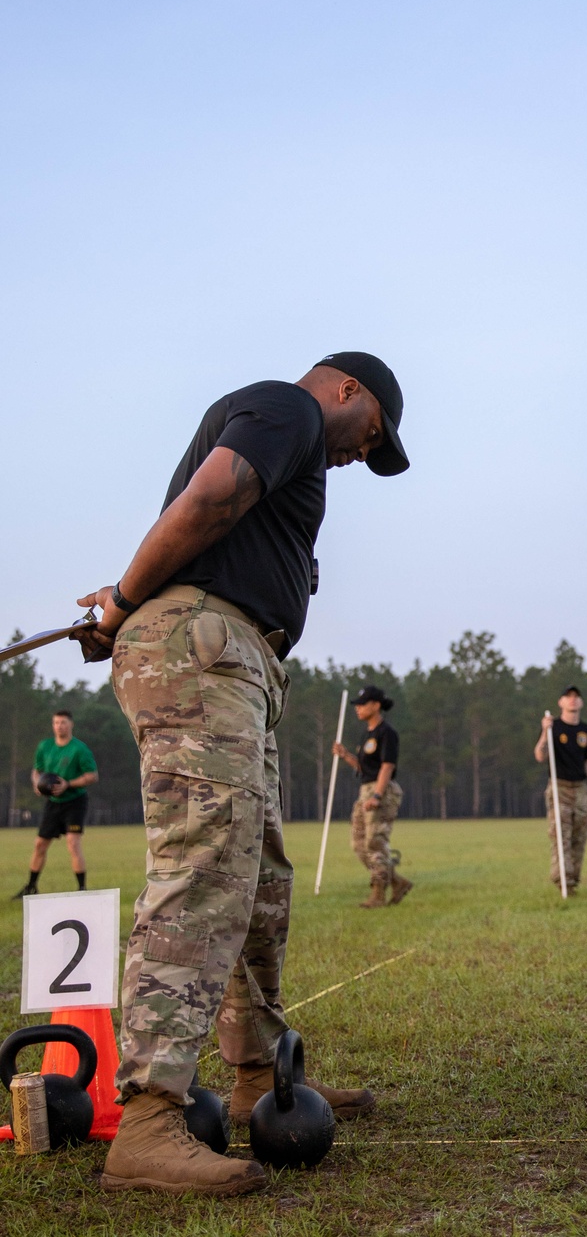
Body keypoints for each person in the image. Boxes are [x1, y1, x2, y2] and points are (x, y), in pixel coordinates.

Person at [71, 351, 409, 1195]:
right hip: (201, 648)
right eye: (371, 437)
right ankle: (150, 1117)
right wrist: (122, 602)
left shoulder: (300, 442)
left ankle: (261, 1076)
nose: (360, 456)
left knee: (257, 875)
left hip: (235, 659)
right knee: (205, 865)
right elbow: (212, 497)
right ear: (345, 390)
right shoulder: (286, 409)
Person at [334, 685, 412, 908]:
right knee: (359, 844)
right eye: (357, 705)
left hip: (381, 790)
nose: (357, 709)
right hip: (365, 789)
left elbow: (387, 766)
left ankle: (378, 895)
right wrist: (345, 755)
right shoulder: (366, 734)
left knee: (375, 842)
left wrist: (377, 795)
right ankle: (397, 882)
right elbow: (364, 767)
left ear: (376, 705)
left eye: (362, 704)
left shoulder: (387, 733)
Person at [12, 709, 98, 898]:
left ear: (71, 724)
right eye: (56, 723)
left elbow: (92, 776)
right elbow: (37, 771)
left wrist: (68, 784)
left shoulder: (79, 749)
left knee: (73, 843)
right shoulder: (45, 746)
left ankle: (82, 890)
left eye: (63, 723)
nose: (59, 726)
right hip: (53, 802)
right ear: (53, 725)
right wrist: (37, 783)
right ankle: (31, 887)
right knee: (40, 844)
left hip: (75, 801)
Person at [534, 686, 587, 893]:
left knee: (579, 835)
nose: (573, 700)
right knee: (560, 834)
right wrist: (544, 733)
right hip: (559, 786)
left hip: (581, 788)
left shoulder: (586, 731)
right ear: (561, 702)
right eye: (568, 697)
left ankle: (574, 878)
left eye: (576, 697)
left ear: (581, 703)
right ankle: (562, 880)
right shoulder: (552, 727)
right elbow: (540, 756)